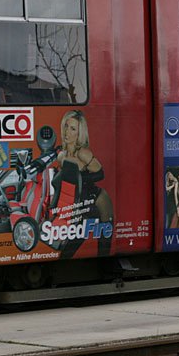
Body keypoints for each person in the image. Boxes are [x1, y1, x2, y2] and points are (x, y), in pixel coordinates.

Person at [53, 109, 113, 258]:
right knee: (69, 247)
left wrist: (79, 178)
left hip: (98, 200)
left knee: (104, 245)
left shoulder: (83, 153)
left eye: (73, 129)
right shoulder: (61, 156)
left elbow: (100, 174)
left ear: (79, 133)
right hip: (79, 202)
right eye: (66, 126)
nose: (67, 132)